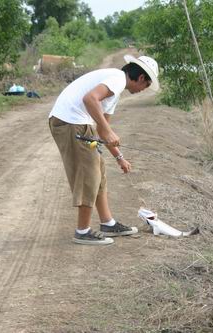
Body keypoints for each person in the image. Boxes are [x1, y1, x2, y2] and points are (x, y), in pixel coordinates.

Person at [48, 55, 160, 245]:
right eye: (146, 86)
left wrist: (120, 158)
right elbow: (89, 99)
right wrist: (107, 131)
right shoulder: (117, 78)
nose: (143, 90)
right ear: (141, 78)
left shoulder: (114, 89)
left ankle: (108, 223)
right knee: (88, 175)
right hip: (70, 122)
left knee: (99, 171)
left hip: (79, 123)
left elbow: (102, 129)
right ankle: (82, 231)